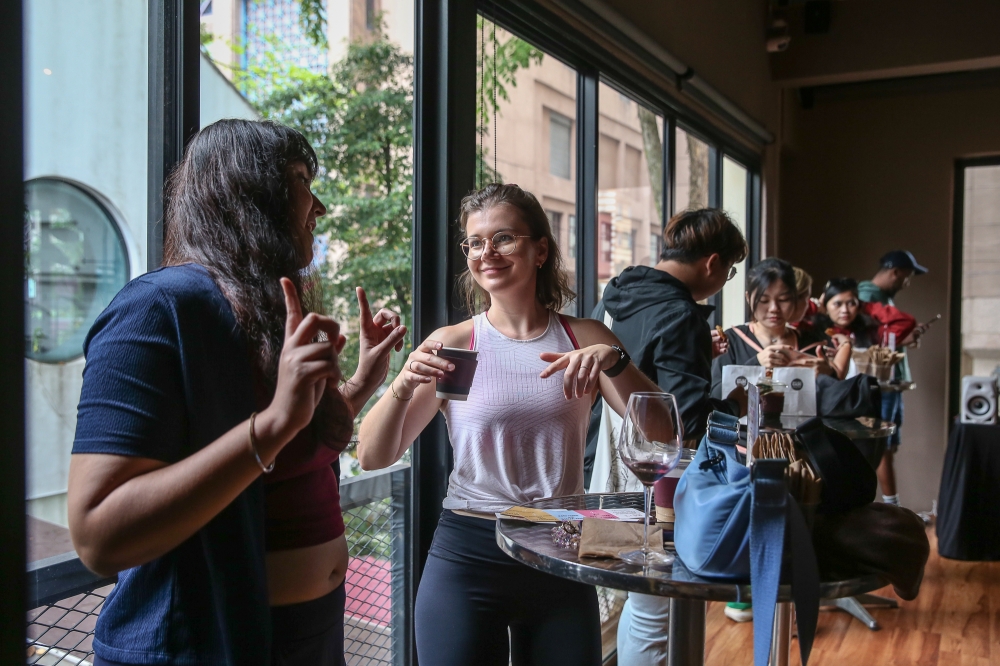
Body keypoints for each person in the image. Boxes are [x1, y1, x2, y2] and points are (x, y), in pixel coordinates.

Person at [67, 119, 405, 666]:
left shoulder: (263, 309)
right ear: (253, 191)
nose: (318, 208)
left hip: (311, 636)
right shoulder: (156, 308)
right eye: (302, 180)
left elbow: (289, 447)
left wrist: (363, 380)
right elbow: (98, 535)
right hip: (204, 647)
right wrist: (272, 423)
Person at [357, 183, 664, 666]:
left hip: (561, 543)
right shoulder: (456, 344)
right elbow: (374, 455)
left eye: (503, 238)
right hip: (469, 549)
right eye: (475, 242)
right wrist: (400, 383)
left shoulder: (584, 338)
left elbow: (662, 435)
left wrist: (616, 361)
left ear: (540, 249)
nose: (487, 253)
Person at [586, 208, 749, 665]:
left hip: (600, 466)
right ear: (712, 263)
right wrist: (738, 401)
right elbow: (686, 420)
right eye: (730, 271)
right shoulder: (680, 313)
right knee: (654, 605)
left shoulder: (615, 296)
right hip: (654, 481)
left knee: (630, 600)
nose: (724, 280)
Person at [858, 250, 928, 507]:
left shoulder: (883, 298)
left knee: (889, 446)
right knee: (882, 446)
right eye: (906, 276)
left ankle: (889, 507)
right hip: (880, 386)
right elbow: (866, 340)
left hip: (892, 384)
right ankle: (891, 509)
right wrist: (901, 337)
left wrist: (904, 338)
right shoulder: (867, 296)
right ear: (895, 271)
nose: (906, 283)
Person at [711, 258, 835, 403]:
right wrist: (756, 364)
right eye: (763, 300)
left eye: (783, 300)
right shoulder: (730, 341)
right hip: (742, 426)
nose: (774, 308)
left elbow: (831, 401)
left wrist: (829, 375)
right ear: (748, 298)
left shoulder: (812, 343)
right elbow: (715, 395)